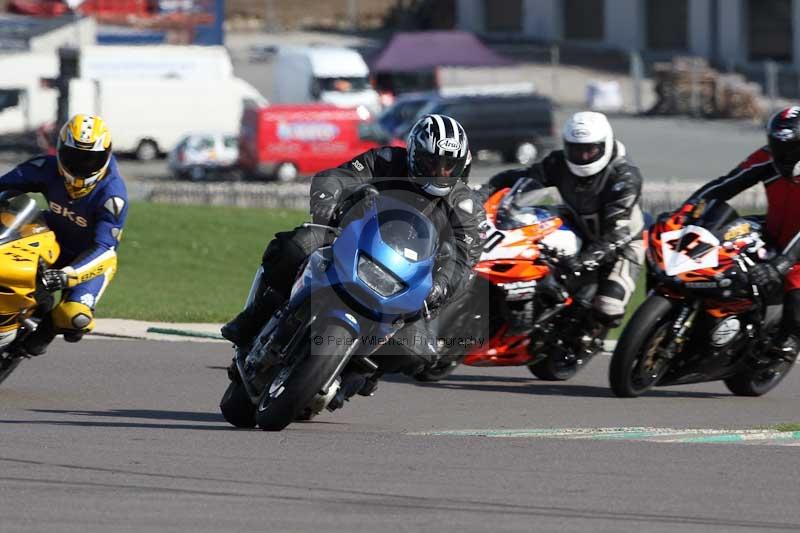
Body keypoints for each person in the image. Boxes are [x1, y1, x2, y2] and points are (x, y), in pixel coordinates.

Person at [222, 114, 484, 374]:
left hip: (407, 276)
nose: (440, 173)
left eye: (449, 165)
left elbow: (464, 257)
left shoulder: (464, 205)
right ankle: (253, 318)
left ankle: (357, 376)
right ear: (414, 154)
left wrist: (441, 286)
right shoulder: (387, 160)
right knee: (292, 249)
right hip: (348, 239)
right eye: (431, 163)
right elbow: (339, 176)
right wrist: (327, 198)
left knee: (417, 351)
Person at [479, 111, 646, 339]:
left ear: (605, 144)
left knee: (609, 308)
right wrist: (482, 194)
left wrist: (583, 261)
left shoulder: (624, 178)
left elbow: (616, 233)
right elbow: (520, 177)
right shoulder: (558, 162)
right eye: (576, 149)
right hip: (575, 225)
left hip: (622, 243)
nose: (583, 155)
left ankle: (582, 336)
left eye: (590, 149)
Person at [0, 114, 128, 355]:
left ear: (106, 155)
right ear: (60, 150)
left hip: (88, 261)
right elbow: (4, 186)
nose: (81, 166)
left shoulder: (112, 196)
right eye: (74, 157)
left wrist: (67, 276)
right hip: (50, 239)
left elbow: (105, 249)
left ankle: (40, 338)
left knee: (75, 317)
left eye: (90, 159)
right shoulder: (45, 168)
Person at [684, 105, 800, 358]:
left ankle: (786, 341)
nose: (782, 154)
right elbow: (726, 184)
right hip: (770, 230)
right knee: (719, 240)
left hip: (797, 251)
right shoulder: (767, 158)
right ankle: (703, 310)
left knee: (796, 296)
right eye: (777, 145)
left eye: (792, 147)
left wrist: (783, 263)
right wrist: (688, 210)